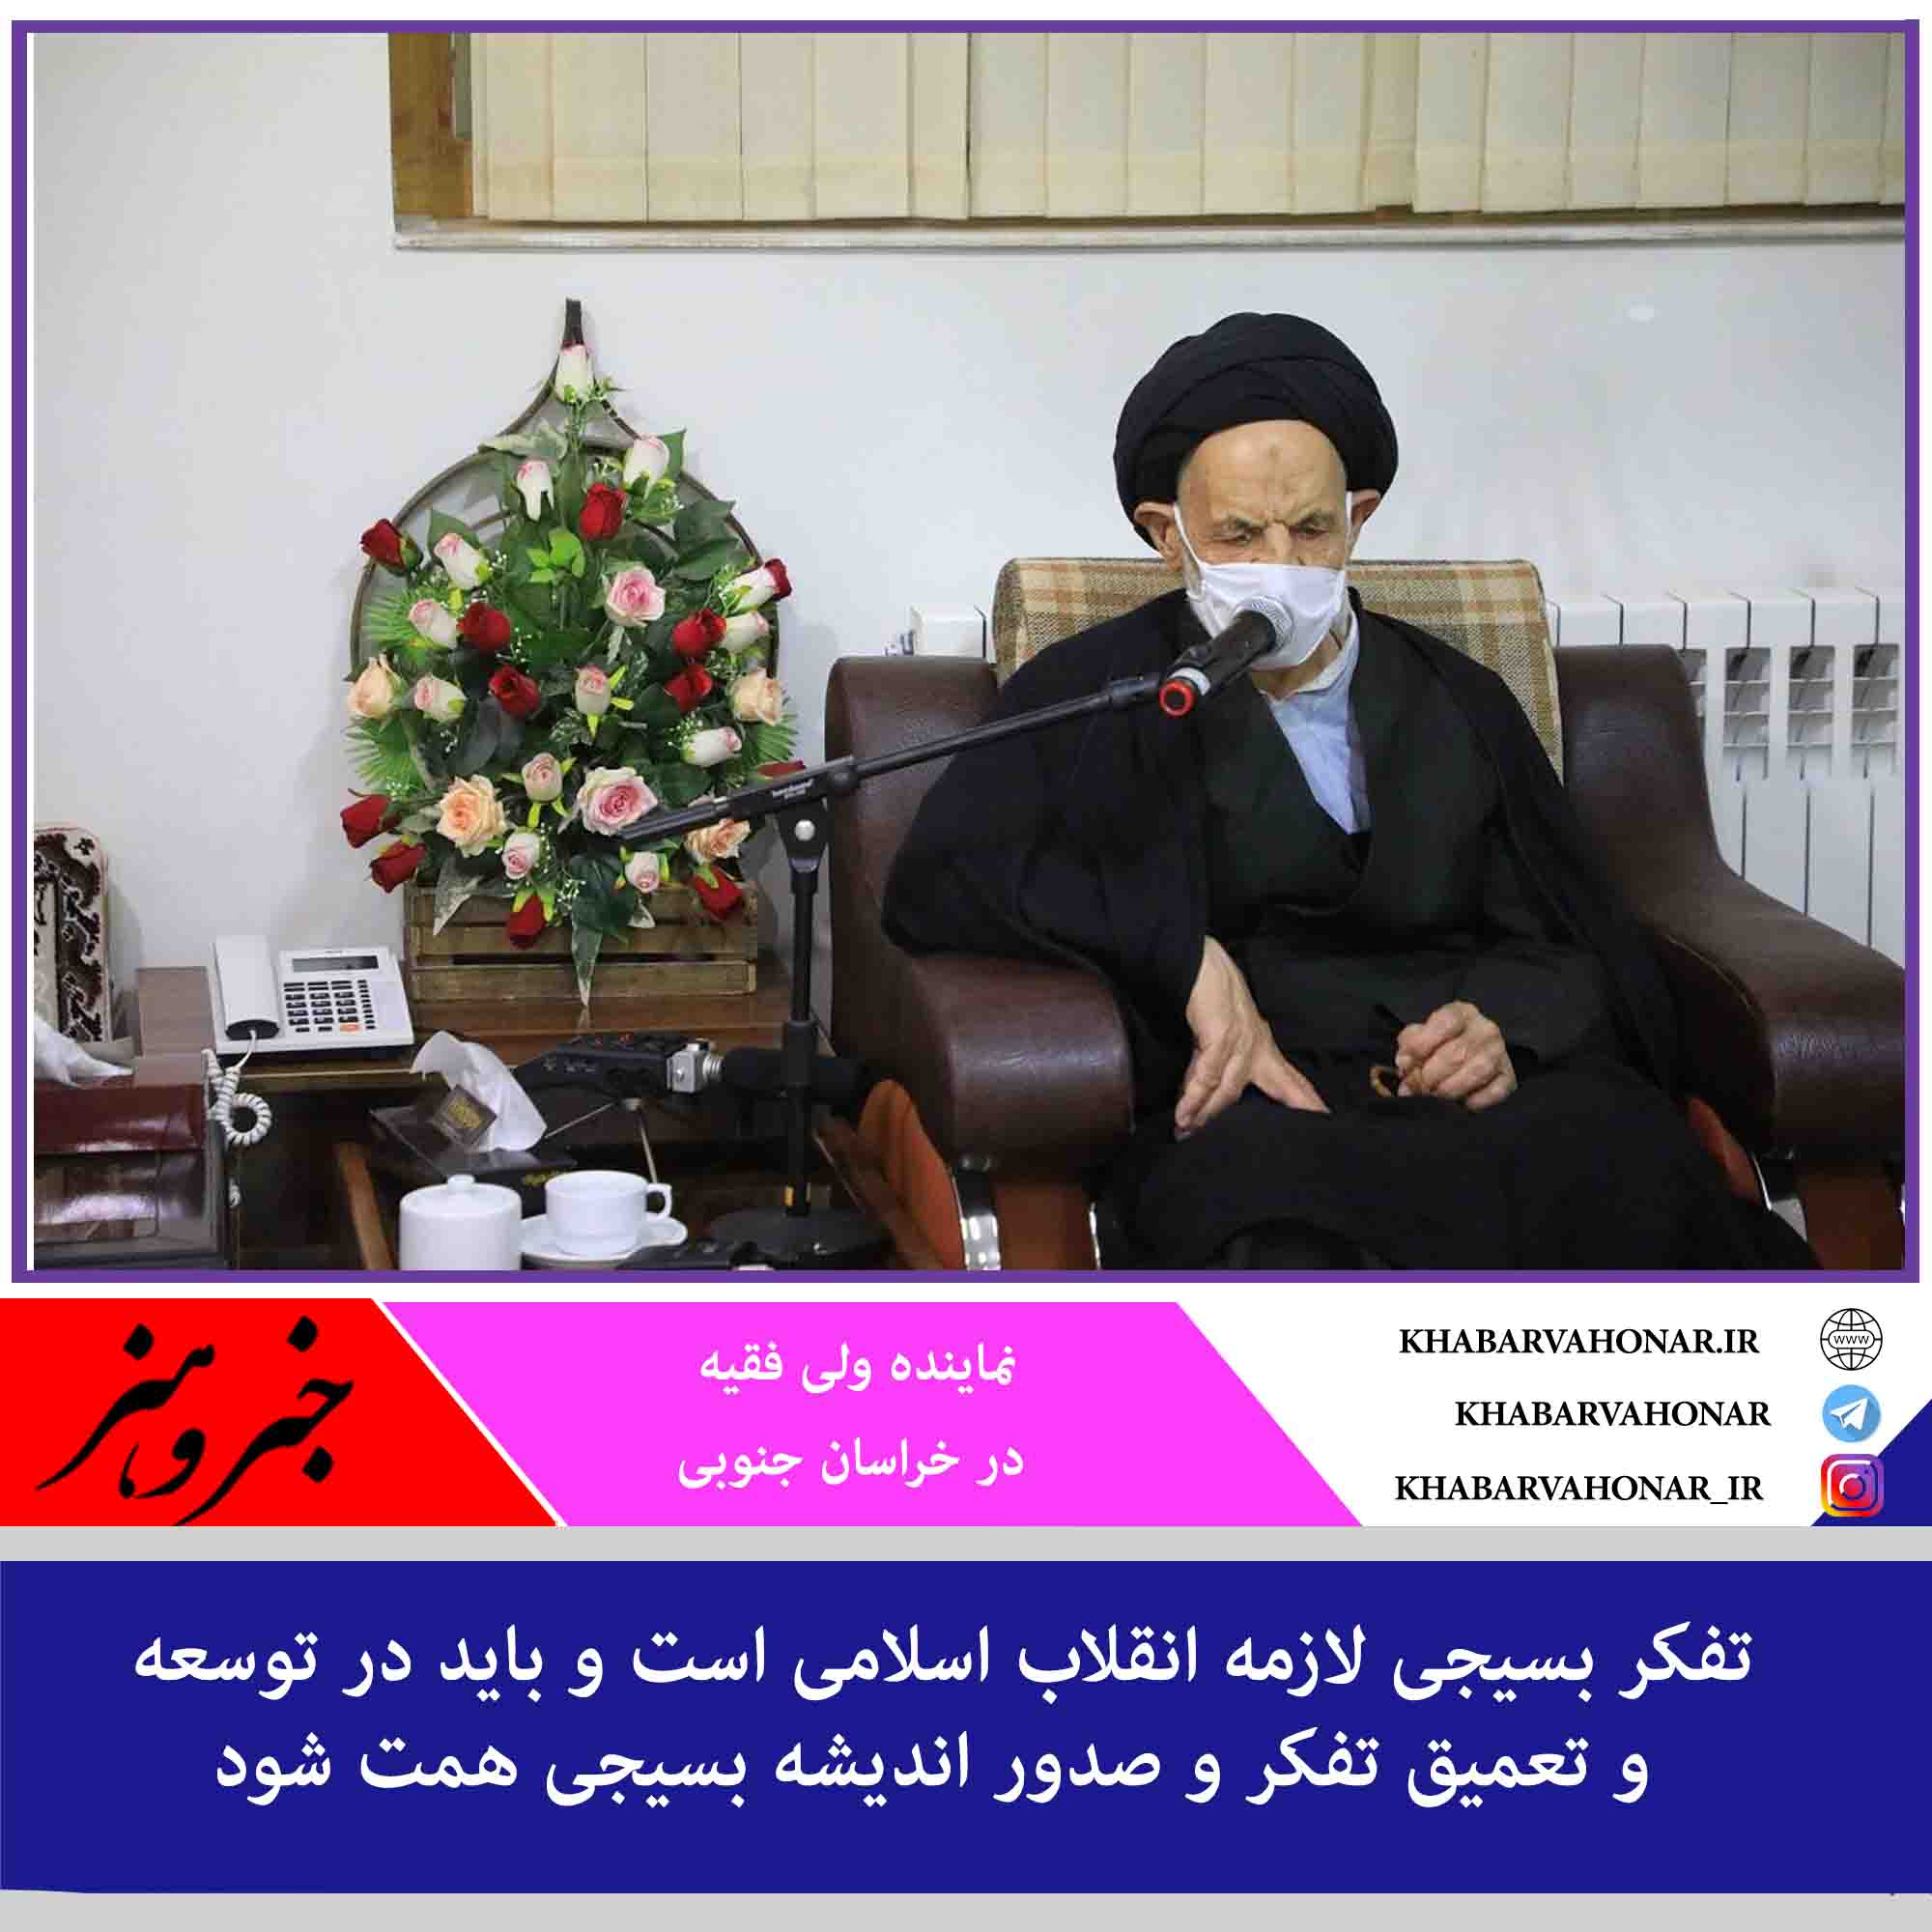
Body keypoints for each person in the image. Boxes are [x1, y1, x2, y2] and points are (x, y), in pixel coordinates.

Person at [881, 312, 1815, 1270]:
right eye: (1239, 535)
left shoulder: (1459, 696)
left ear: (1357, 519)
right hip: (1261, 1104)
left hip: (1487, 1098)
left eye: (1312, 528)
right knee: (1267, 1236)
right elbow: (949, 876)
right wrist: (1179, 952)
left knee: (1636, 1171)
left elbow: (1566, 936)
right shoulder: (1103, 690)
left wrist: (1502, 1029)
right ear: (1168, 536)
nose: (1282, 563)